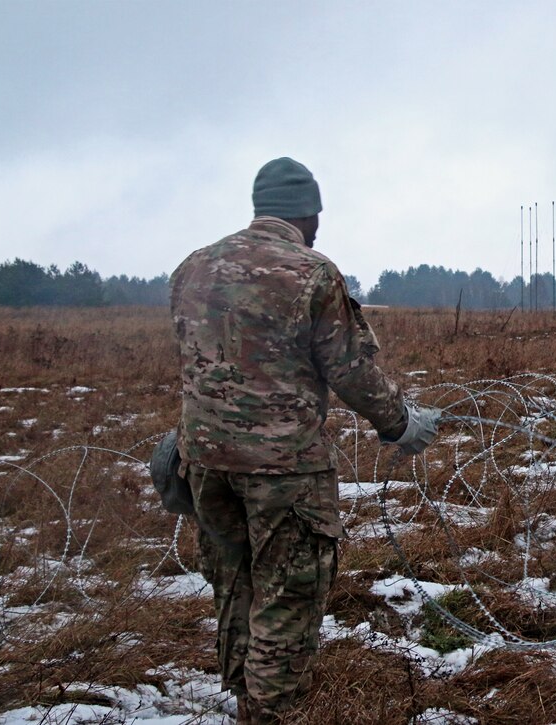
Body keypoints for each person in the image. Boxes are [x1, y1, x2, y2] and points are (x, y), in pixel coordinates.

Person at [169, 157, 440, 723]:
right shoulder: (311, 273)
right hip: (283, 470)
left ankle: (246, 701)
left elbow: (198, 363)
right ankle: (269, 713)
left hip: (204, 466)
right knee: (287, 600)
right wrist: (399, 424)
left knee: (236, 586)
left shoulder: (192, 268)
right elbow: (349, 370)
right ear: (308, 213)